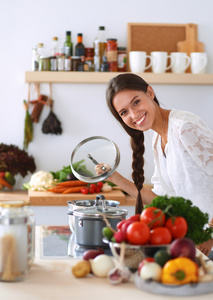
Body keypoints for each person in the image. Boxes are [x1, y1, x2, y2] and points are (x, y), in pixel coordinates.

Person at [95, 73, 213, 257]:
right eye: (124, 112)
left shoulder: (184, 127)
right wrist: (114, 178)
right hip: (193, 245)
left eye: (136, 102)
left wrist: (210, 232)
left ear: (150, 92)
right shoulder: (158, 139)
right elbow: (160, 198)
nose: (134, 115)